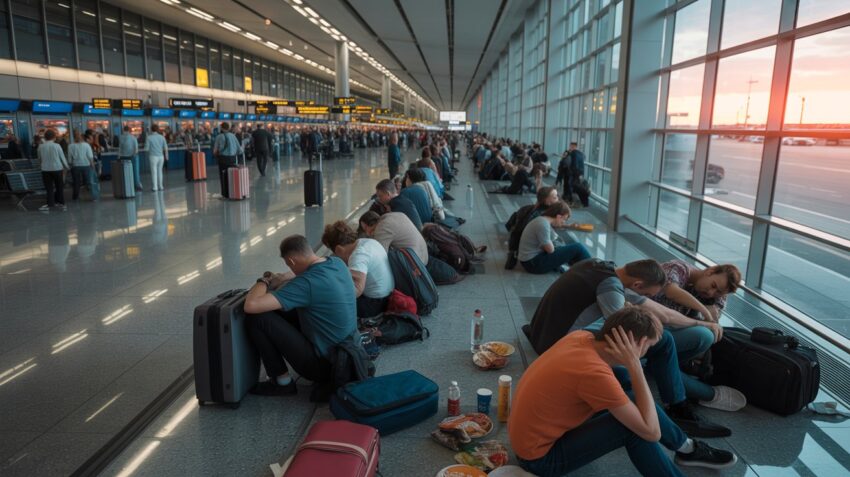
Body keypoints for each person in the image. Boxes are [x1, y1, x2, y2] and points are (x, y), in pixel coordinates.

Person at [510, 307, 737, 477]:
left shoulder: (581, 337)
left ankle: (686, 448)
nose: (648, 351)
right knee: (633, 429)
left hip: (534, 436)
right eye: (648, 346)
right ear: (634, 344)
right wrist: (635, 366)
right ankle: (684, 453)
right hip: (540, 459)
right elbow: (651, 433)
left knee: (628, 390)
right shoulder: (594, 372)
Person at [524, 258, 731, 438]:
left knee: (663, 343)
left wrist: (701, 322)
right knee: (652, 352)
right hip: (559, 346)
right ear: (637, 285)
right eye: (647, 293)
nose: (647, 297)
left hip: (543, 333)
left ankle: (681, 402)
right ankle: (697, 400)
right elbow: (623, 334)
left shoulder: (603, 267)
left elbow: (662, 313)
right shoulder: (610, 287)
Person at [243, 235, 358, 400]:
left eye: (288, 264)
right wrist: (283, 277)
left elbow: (251, 305)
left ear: (291, 261)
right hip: (348, 357)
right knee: (282, 308)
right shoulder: (336, 263)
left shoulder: (307, 283)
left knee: (258, 318)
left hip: (324, 368)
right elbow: (303, 272)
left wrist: (264, 281)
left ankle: (282, 383)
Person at [651, 261, 746, 411]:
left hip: (671, 334)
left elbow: (714, 319)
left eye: (718, 292)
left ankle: (662, 366)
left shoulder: (718, 295)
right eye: (713, 285)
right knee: (702, 336)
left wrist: (710, 315)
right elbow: (671, 291)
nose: (711, 293)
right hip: (650, 328)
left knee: (707, 335)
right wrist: (704, 309)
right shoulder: (677, 269)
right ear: (710, 271)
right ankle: (706, 394)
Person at [322, 221, 395, 318]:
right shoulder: (368, 242)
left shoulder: (358, 255)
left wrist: (328, 292)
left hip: (376, 303)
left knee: (327, 306)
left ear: (338, 249)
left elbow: (356, 290)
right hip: (389, 294)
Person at [518, 201, 591, 274]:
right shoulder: (543, 225)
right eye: (564, 219)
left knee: (568, 248)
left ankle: (582, 270)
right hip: (532, 264)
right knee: (578, 247)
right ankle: (593, 269)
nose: (564, 222)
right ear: (559, 217)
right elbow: (550, 250)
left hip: (530, 260)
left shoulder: (542, 219)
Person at [505, 186, 560, 269]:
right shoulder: (543, 216)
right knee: (561, 244)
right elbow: (548, 242)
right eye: (555, 197)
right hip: (528, 252)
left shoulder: (529, 208)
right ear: (547, 201)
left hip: (516, 244)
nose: (558, 199)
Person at [358, 210, 428, 265]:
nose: (367, 233)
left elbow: (380, 257)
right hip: (424, 255)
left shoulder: (381, 228)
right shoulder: (395, 215)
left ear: (369, 224)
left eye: (365, 229)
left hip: (417, 264)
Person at [37, 129, 70, 212]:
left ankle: (50, 203)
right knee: (59, 187)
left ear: (45, 137)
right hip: (57, 169)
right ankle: (61, 202)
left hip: (45, 169)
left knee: (49, 188)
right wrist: (67, 166)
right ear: (54, 137)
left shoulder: (41, 147)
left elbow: (39, 159)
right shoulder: (57, 146)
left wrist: (41, 166)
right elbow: (62, 157)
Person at [212, 122, 243, 197]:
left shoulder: (219, 137)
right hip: (232, 159)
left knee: (223, 176)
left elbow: (215, 150)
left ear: (221, 128)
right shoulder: (233, 136)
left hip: (223, 159)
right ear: (228, 128)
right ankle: (232, 192)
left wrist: (216, 155)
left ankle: (225, 194)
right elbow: (240, 150)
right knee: (231, 175)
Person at [68, 131, 99, 201]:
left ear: (74, 137)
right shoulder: (86, 145)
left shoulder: (70, 146)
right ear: (82, 138)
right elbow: (90, 157)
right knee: (90, 181)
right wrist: (93, 166)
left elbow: (70, 159)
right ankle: (94, 197)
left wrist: (71, 165)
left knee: (76, 182)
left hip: (75, 166)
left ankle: (75, 197)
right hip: (86, 165)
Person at [557, 141, 589, 207]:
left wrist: (571, 172)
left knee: (571, 187)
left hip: (573, 174)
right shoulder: (580, 154)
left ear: (573, 146)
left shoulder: (574, 154)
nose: (570, 148)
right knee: (575, 187)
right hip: (579, 174)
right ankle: (576, 201)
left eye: (571, 146)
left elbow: (574, 165)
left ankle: (571, 201)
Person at [144, 123, 168, 191]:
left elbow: (146, 149)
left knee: (154, 172)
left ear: (151, 129)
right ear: (158, 129)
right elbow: (165, 147)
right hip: (161, 156)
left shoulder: (149, 137)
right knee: (160, 171)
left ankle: (155, 187)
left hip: (153, 156)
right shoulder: (162, 137)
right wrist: (166, 156)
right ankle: (161, 186)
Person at [118, 126, 142, 191]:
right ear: (129, 130)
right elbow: (136, 149)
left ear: (123, 130)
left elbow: (120, 148)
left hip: (123, 157)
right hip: (131, 157)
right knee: (135, 172)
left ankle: (126, 185)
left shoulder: (121, 137)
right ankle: (136, 185)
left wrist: (119, 156)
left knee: (124, 173)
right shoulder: (133, 137)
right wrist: (134, 155)